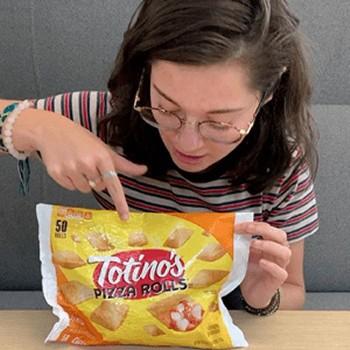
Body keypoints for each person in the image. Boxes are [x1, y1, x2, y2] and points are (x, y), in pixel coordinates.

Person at [0, 0, 318, 314]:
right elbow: (17, 121)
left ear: (269, 92)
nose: (188, 143)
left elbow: (292, 290)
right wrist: (35, 126)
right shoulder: (105, 122)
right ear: (144, 74)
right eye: (166, 108)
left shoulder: (281, 165)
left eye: (219, 122)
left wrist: (257, 297)